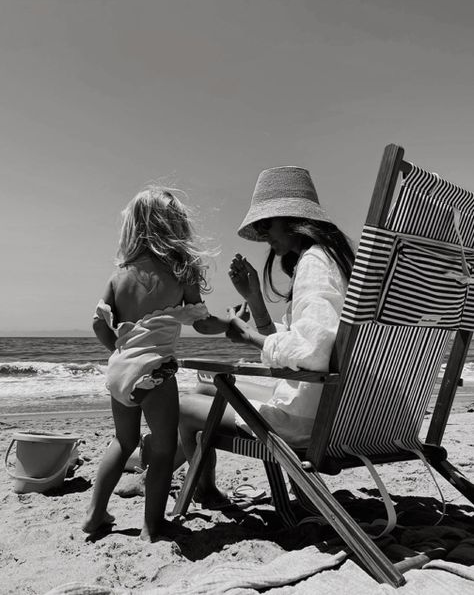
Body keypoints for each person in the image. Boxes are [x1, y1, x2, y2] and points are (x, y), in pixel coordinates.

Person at [178, 166, 354, 507]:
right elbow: (308, 343)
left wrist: (249, 338)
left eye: (265, 225)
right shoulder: (337, 260)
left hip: (311, 421)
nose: (264, 236)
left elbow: (313, 351)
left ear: (291, 219)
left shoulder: (315, 262)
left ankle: (205, 492)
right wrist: (256, 301)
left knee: (183, 406)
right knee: (204, 387)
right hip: (340, 408)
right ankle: (167, 472)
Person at [82, 185, 230, 541]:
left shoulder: (119, 275)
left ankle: (95, 514)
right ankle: (153, 525)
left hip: (120, 368)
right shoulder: (181, 271)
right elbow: (202, 322)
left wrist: (118, 351)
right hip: (155, 371)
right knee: (163, 449)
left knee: (123, 440)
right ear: (174, 227)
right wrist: (231, 325)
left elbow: (99, 324)